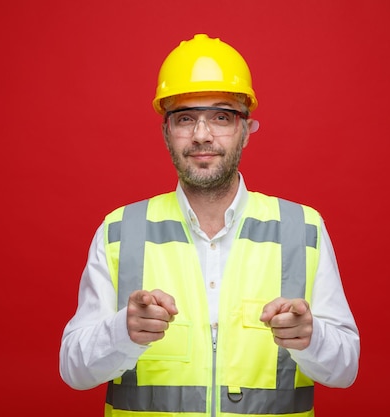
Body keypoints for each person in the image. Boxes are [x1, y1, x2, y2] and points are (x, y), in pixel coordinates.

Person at [59, 33, 360, 417]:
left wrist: (310, 338)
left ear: (246, 131)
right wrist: (123, 332)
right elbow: (73, 370)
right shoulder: (120, 231)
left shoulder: (303, 229)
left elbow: (346, 368)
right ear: (166, 131)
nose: (202, 135)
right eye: (185, 118)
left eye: (221, 116)